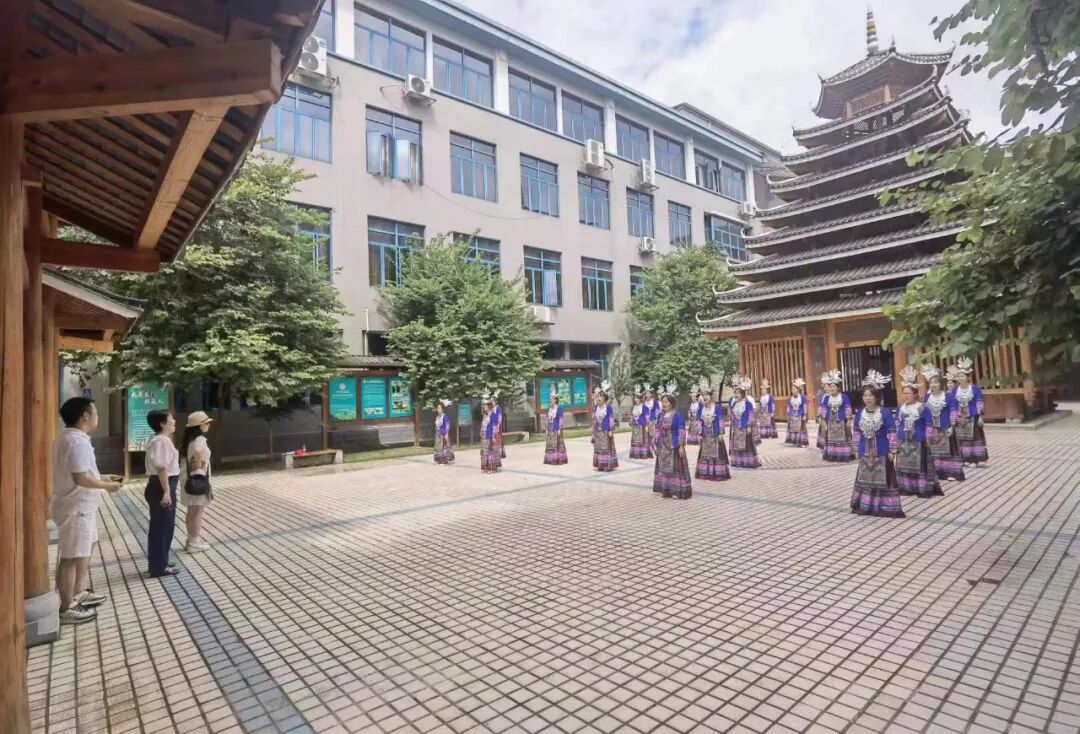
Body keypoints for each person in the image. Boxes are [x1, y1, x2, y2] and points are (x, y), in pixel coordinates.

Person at [50, 397, 124, 624]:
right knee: (70, 558)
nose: (97, 416)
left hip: (81, 507)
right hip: (77, 508)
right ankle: (67, 607)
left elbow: (82, 472)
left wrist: (103, 477)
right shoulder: (77, 441)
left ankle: (78, 591)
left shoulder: (69, 438)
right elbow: (80, 478)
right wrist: (107, 486)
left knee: (83, 550)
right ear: (85, 416)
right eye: (95, 412)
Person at [851, 371, 904, 518]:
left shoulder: (885, 413)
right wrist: (855, 448)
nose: (867, 398)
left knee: (884, 478)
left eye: (870, 395)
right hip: (865, 452)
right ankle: (865, 505)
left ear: (876, 397)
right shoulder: (860, 413)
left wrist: (892, 450)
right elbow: (856, 432)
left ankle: (884, 507)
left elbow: (892, 432)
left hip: (882, 451)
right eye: (865, 395)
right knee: (866, 478)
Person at [895, 368, 944, 499]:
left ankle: (920, 488)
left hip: (918, 440)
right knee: (904, 465)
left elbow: (929, 423)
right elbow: (897, 423)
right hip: (903, 440)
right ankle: (906, 487)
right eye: (904, 393)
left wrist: (928, 437)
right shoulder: (900, 407)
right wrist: (895, 439)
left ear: (915, 394)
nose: (906, 396)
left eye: (909, 393)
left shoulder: (923, 407)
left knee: (920, 465)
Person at [145, 411, 181, 578]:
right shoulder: (162, 441)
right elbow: (161, 468)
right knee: (163, 528)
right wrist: (166, 492)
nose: (174, 421)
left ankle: (159, 561)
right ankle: (159, 566)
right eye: (170, 419)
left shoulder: (158, 439)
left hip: (160, 485)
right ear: (162, 424)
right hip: (162, 486)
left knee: (161, 526)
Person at [181, 411, 214, 552]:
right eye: (206, 422)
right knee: (197, 512)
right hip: (197, 480)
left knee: (192, 511)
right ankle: (194, 542)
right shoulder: (199, 440)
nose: (209, 424)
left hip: (189, 479)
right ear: (199, 426)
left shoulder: (189, 440)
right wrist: (199, 466)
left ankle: (191, 540)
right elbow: (198, 451)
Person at [925, 372, 966, 482]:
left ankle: (951, 473)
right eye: (931, 383)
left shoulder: (948, 396)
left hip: (946, 427)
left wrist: (952, 426)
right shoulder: (927, 397)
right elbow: (925, 412)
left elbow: (953, 411)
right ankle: (937, 473)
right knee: (934, 452)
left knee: (949, 452)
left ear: (941, 384)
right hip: (932, 428)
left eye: (936, 382)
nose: (933, 385)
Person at [653, 385, 692, 498]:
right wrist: (657, 441)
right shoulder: (660, 416)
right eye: (663, 402)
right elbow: (657, 429)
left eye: (666, 402)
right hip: (663, 447)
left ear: (672, 403)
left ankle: (677, 491)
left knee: (675, 469)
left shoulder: (678, 416)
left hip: (674, 446)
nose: (664, 404)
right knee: (664, 468)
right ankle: (667, 489)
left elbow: (681, 431)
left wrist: (681, 446)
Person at [950, 357, 989, 466]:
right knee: (962, 438)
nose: (960, 378)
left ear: (968, 377)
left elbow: (979, 401)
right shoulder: (955, 390)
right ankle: (965, 459)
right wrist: (953, 418)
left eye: (963, 376)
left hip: (973, 416)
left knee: (975, 437)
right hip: (960, 417)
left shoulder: (975, 388)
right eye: (959, 376)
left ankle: (977, 459)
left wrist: (980, 416)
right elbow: (953, 405)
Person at [695, 383, 730, 482]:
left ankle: (717, 473)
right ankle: (706, 472)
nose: (704, 397)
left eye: (706, 395)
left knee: (717, 454)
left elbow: (720, 420)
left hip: (715, 435)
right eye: (703, 395)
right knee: (705, 453)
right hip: (705, 435)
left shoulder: (717, 407)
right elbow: (698, 421)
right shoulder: (701, 408)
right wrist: (699, 434)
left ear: (711, 396)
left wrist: (721, 433)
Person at [820, 370, 855, 462]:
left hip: (842, 422)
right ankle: (832, 455)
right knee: (831, 438)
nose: (832, 389)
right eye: (831, 387)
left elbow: (848, 408)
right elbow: (824, 409)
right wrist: (823, 420)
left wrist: (849, 420)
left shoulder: (844, 397)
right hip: (830, 421)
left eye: (834, 387)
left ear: (838, 388)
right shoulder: (827, 398)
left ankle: (843, 455)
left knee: (843, 439)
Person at [728, 377, 761, 469]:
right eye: (735, 393)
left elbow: (751, 415)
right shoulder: (734, 404)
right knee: (737, 445)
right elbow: (731, 414)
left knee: (747, 445)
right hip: (736, 428)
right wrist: (733, 421)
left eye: (737, 393)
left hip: (745, 427)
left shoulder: (748, 404)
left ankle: (748, 461)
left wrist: (749, 425)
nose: (736, 395)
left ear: (742, 394)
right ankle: (738, 461)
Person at [592, 381, 618, 472]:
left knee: (606, 447)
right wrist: (593, 432)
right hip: (598, 431)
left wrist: (611, 430)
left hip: (606, 431)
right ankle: (600, 465)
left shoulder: (608, 407)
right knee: (598, 448)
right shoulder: (595, 407)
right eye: (598, 396)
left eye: (601, 396)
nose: (599, 398)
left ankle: (607, 465)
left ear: (605, 398)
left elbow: (611, 419)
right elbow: (594, 419)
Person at [543, 389, 568, 465]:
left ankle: (557, 459)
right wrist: (546, 428)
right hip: (550, 429)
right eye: (550, 399)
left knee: (557, 444)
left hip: (556, 428)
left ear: (556, 400)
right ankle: (550, 459)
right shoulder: (549, 408)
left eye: (552, 399)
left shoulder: (559, 408)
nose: (550, 400)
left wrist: (560, 428)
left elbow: (561, 418)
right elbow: (547, 418)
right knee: (550, 444)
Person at [480, 395, 501, 473]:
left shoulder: (493, 414)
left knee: (491, 452)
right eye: (483, 405)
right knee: (485, 452)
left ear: (489, 406)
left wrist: (494, 436)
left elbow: (495, 426)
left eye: (485, 405)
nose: (484, 407)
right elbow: (483, 425)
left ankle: (492, 467)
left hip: (490, 436)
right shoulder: (485, 415)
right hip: (484, 436)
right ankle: (486, 466)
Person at [785, 378, 809, 447]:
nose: (792, 390)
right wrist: (788, 414)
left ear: (798, 389)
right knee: (793, 428)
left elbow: (805, 406)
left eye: (794, 389)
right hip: (792, 415)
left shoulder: (803, 397)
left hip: (800, 415)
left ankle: (802, 442)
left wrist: (805, 414)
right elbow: (789, 407)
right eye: (792, 389)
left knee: (800, 428)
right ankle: (794, 442)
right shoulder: (790, 398)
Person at [629, 391, 653, 460]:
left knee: (643, 440)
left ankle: (644, 454)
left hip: (642, 426)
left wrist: (647, 425)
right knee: (635, 440)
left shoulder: (644, 407)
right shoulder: (634, 407)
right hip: (635, 426)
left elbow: (647, 417)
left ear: (640, 399)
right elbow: (632, 416)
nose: (635, 399)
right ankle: (636, 454)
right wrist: (631, 421)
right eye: (635, 398)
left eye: (637, 398)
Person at [434, 399, 455, 465]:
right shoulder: (437, 417)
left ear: (442, 409)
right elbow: (437, 426)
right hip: (438, 435)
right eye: (437, 408)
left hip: (443, 435)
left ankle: (444, 460)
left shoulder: (445, 416)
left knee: (444, 448)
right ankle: (439, 460)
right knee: (438, 448)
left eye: (439, 408)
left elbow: (447, 425)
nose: (438, 409)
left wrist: (446, 434)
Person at [493, 391, 507, 459]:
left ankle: (501, 452)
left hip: (497, 425)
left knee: (499, 438)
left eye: (493, 401)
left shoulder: (498, 408)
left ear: (495, 402)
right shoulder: (492, 409)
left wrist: (498, 425)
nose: (492, 403)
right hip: (493, 426)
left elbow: (500, 417)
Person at [815, 373, 828, 451]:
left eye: (827, 386)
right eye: (824, 386)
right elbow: (820, 405)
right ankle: (823, 446)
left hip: (830, 417)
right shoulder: (823, 395)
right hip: (823, 416)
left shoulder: (831, 396)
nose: (825, 388)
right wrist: (818, 415)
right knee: (823, 430)